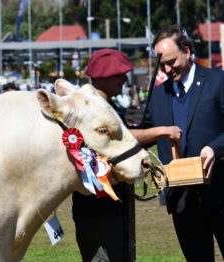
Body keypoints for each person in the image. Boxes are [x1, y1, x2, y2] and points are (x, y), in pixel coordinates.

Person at [72, 48, 182, 262]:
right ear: (103, 77)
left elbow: (126, 142)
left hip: (114, 205)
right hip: (97, 209)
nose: (124, 79)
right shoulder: (93, 109)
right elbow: (122, 137)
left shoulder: (108, 105)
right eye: (119, 74)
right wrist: (162, 131)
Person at [142, 24, 224, 262]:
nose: (167, 69)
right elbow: (144, 135)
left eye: (171, 62)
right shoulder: (157, 95)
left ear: (187, 51)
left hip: (220, 193)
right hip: (182, 202)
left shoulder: (218, 81)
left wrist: (214, 148)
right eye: (162, 64)